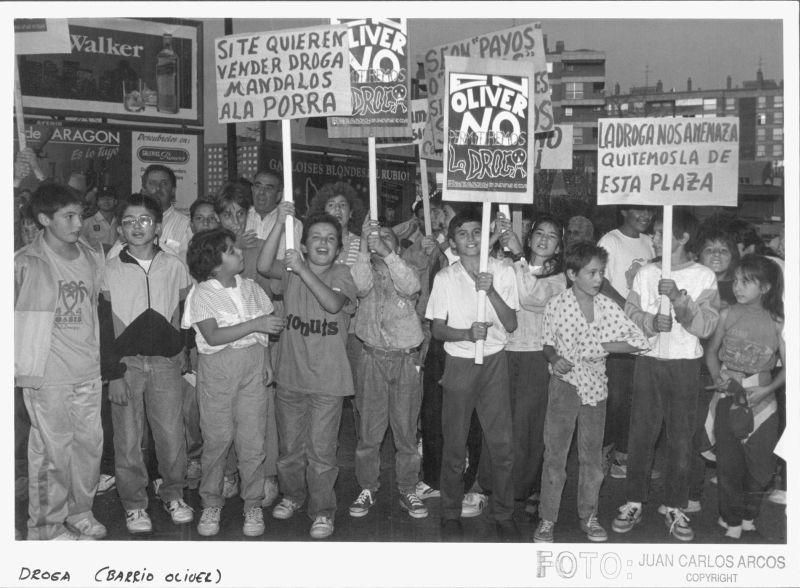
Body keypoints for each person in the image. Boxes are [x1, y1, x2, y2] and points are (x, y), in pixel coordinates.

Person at [612, 208, 719, 542]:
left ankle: (675, 504)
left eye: (661, 232)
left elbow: (705, 326)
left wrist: (677, 298)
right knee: (640, 435)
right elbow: (628, 312)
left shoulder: (704, 276)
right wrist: (648, 321)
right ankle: (633, 500)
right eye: (654, 232)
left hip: (685, 364)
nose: (653, 238)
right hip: (649, 362)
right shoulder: (646, 272)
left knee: (680, 438)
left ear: (683, 237)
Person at [534, 242, 649, 543]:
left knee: (592, 459)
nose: (599, 279)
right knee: (555, 456)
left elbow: (638, 341)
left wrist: (601, 347)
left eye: (601, 272)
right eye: (592, 273)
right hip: (564, 386)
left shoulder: (608, 307)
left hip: (596, 388)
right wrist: (553, 358)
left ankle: (590, 516)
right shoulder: (557, 305)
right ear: (572, 274)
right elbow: (547, 343)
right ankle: (547, 519)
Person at [257, 203, 358, 540]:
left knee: (322, 453)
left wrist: (301, 270)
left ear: (339, 249)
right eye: (315, 237)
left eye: (331, 239)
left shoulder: (342, 275)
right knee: (290, 452)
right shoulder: (291, 271)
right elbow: (260, 264)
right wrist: (279, 225)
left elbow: (332, 304)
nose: (323, 243)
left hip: (329, 383)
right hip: (290, 378)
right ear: (302, 243)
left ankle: (323, 510)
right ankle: (293, 496)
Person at [15, 182, 106, 540]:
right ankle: (47, 529)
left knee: (88, 450)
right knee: (51, 454)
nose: (77, 222)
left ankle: (79, 511)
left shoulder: (90, 255)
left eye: (79, 214)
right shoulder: (24, 262)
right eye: (68, 216)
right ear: (44, 219)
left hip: (88, 371)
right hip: (47, 376)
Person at [99, 193, 194, 535]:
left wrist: (183, 348)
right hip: (127, 364)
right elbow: (104, 326)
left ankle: (173, 493)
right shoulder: (108, 269)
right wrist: (113, 373)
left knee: (171, 434)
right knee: (127, 438)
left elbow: (185, 313)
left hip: (166, 362)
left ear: (157, 226)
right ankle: (134, 504)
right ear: (120, 228)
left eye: (144, 220)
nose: (136, 227)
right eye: (128, 221)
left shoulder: (175, 265)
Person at [183, 228, 285, 537]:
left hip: (252, 365)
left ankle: (252, 503)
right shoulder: (202, 293)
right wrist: (255, 324)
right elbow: (213, 336)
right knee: (217, 438)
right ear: (213, 265)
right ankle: (211, 501)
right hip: (218, 370)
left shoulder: (251, 287)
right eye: (230, 250)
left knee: (252, 440)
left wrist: (265, 360)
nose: (239, 253)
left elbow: (264, 333)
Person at [425, 208, 520, 542]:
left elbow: (510, 324)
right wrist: (466, 334)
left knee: (502, 444)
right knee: (454, 443)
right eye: (462, 233)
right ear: (452, 242)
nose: (470, 238)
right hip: (460, 363)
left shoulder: (503, 271)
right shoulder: (445, 278)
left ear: (486, 236)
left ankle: (504, 512)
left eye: (476, 232)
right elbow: (437, 329)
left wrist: (490, 290)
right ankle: (450, 512)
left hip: (495, 362)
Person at [348, 217, 427, 520]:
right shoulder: (366, 268)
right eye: (375, 237)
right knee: (369, 432)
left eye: (387, 238)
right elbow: (358, 285)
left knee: (406, 431)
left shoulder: (405, 268)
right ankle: (367, 486)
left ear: (397, 246)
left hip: (405, 360)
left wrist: (386, 251)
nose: (379, 240)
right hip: (372, 359)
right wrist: (366, 250)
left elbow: (411, 286)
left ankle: (408, 487)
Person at [705, 255, 784, 539]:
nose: (737, 286)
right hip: (729, 395)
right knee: (729, 463)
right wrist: (717, 378)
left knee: (762, 469)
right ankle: (732, 519)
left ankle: (749, 512)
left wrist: (768, 389)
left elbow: (791, 365)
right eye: (736, 280)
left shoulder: (777, 322)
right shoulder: (727, 314)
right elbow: (711, 352)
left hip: (763, 399)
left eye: (746, 281)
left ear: (764, 287)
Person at [496, 215, 567, 515]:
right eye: (539, 232)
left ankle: (522, 490)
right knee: (502, 424)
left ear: (559, 246)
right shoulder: (509, 263)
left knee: (528, 426)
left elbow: (529, 297)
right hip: (504, 350)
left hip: (536, 354)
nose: (544, 239)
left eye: (552, 236)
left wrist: (519, 257)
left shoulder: (559, 278)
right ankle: (496, 485)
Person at [215, 181, 281, 507]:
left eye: (241, 214)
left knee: (259, 415)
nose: (235, 221)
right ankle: (228, 472)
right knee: (222, 416)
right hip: (220, 350)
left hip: (256, 346)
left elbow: (269, 297)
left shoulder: (258, 249)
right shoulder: (207, 251)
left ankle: (264, 473)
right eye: (227, 214)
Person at [597, 205, 655, 479]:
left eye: (649, 211)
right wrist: (628, 307)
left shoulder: (651, 242)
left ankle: (624, 455)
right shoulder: (611, 241)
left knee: (638, 396)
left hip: (644, 330)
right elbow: (600, 281)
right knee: (617, 396)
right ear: (623, 211)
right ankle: (605, 452)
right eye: (638, 210)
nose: (645, 215)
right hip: (617, 329)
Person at [107, 165, 193, 260]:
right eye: (152, 183)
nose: (157, 188)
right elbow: (114, 258)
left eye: (164, 183)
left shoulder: (186, 225)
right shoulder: (131, 223)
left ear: (173, 191)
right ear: (144, 189)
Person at [81, 187, 119, 255]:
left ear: (115, 201)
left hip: (116, 261)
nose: (106, 201)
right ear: (97, 202)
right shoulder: (87, 223)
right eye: (102, 199)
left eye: (109, 198)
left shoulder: (120, 222)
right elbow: (79, 245)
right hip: (95, 263)